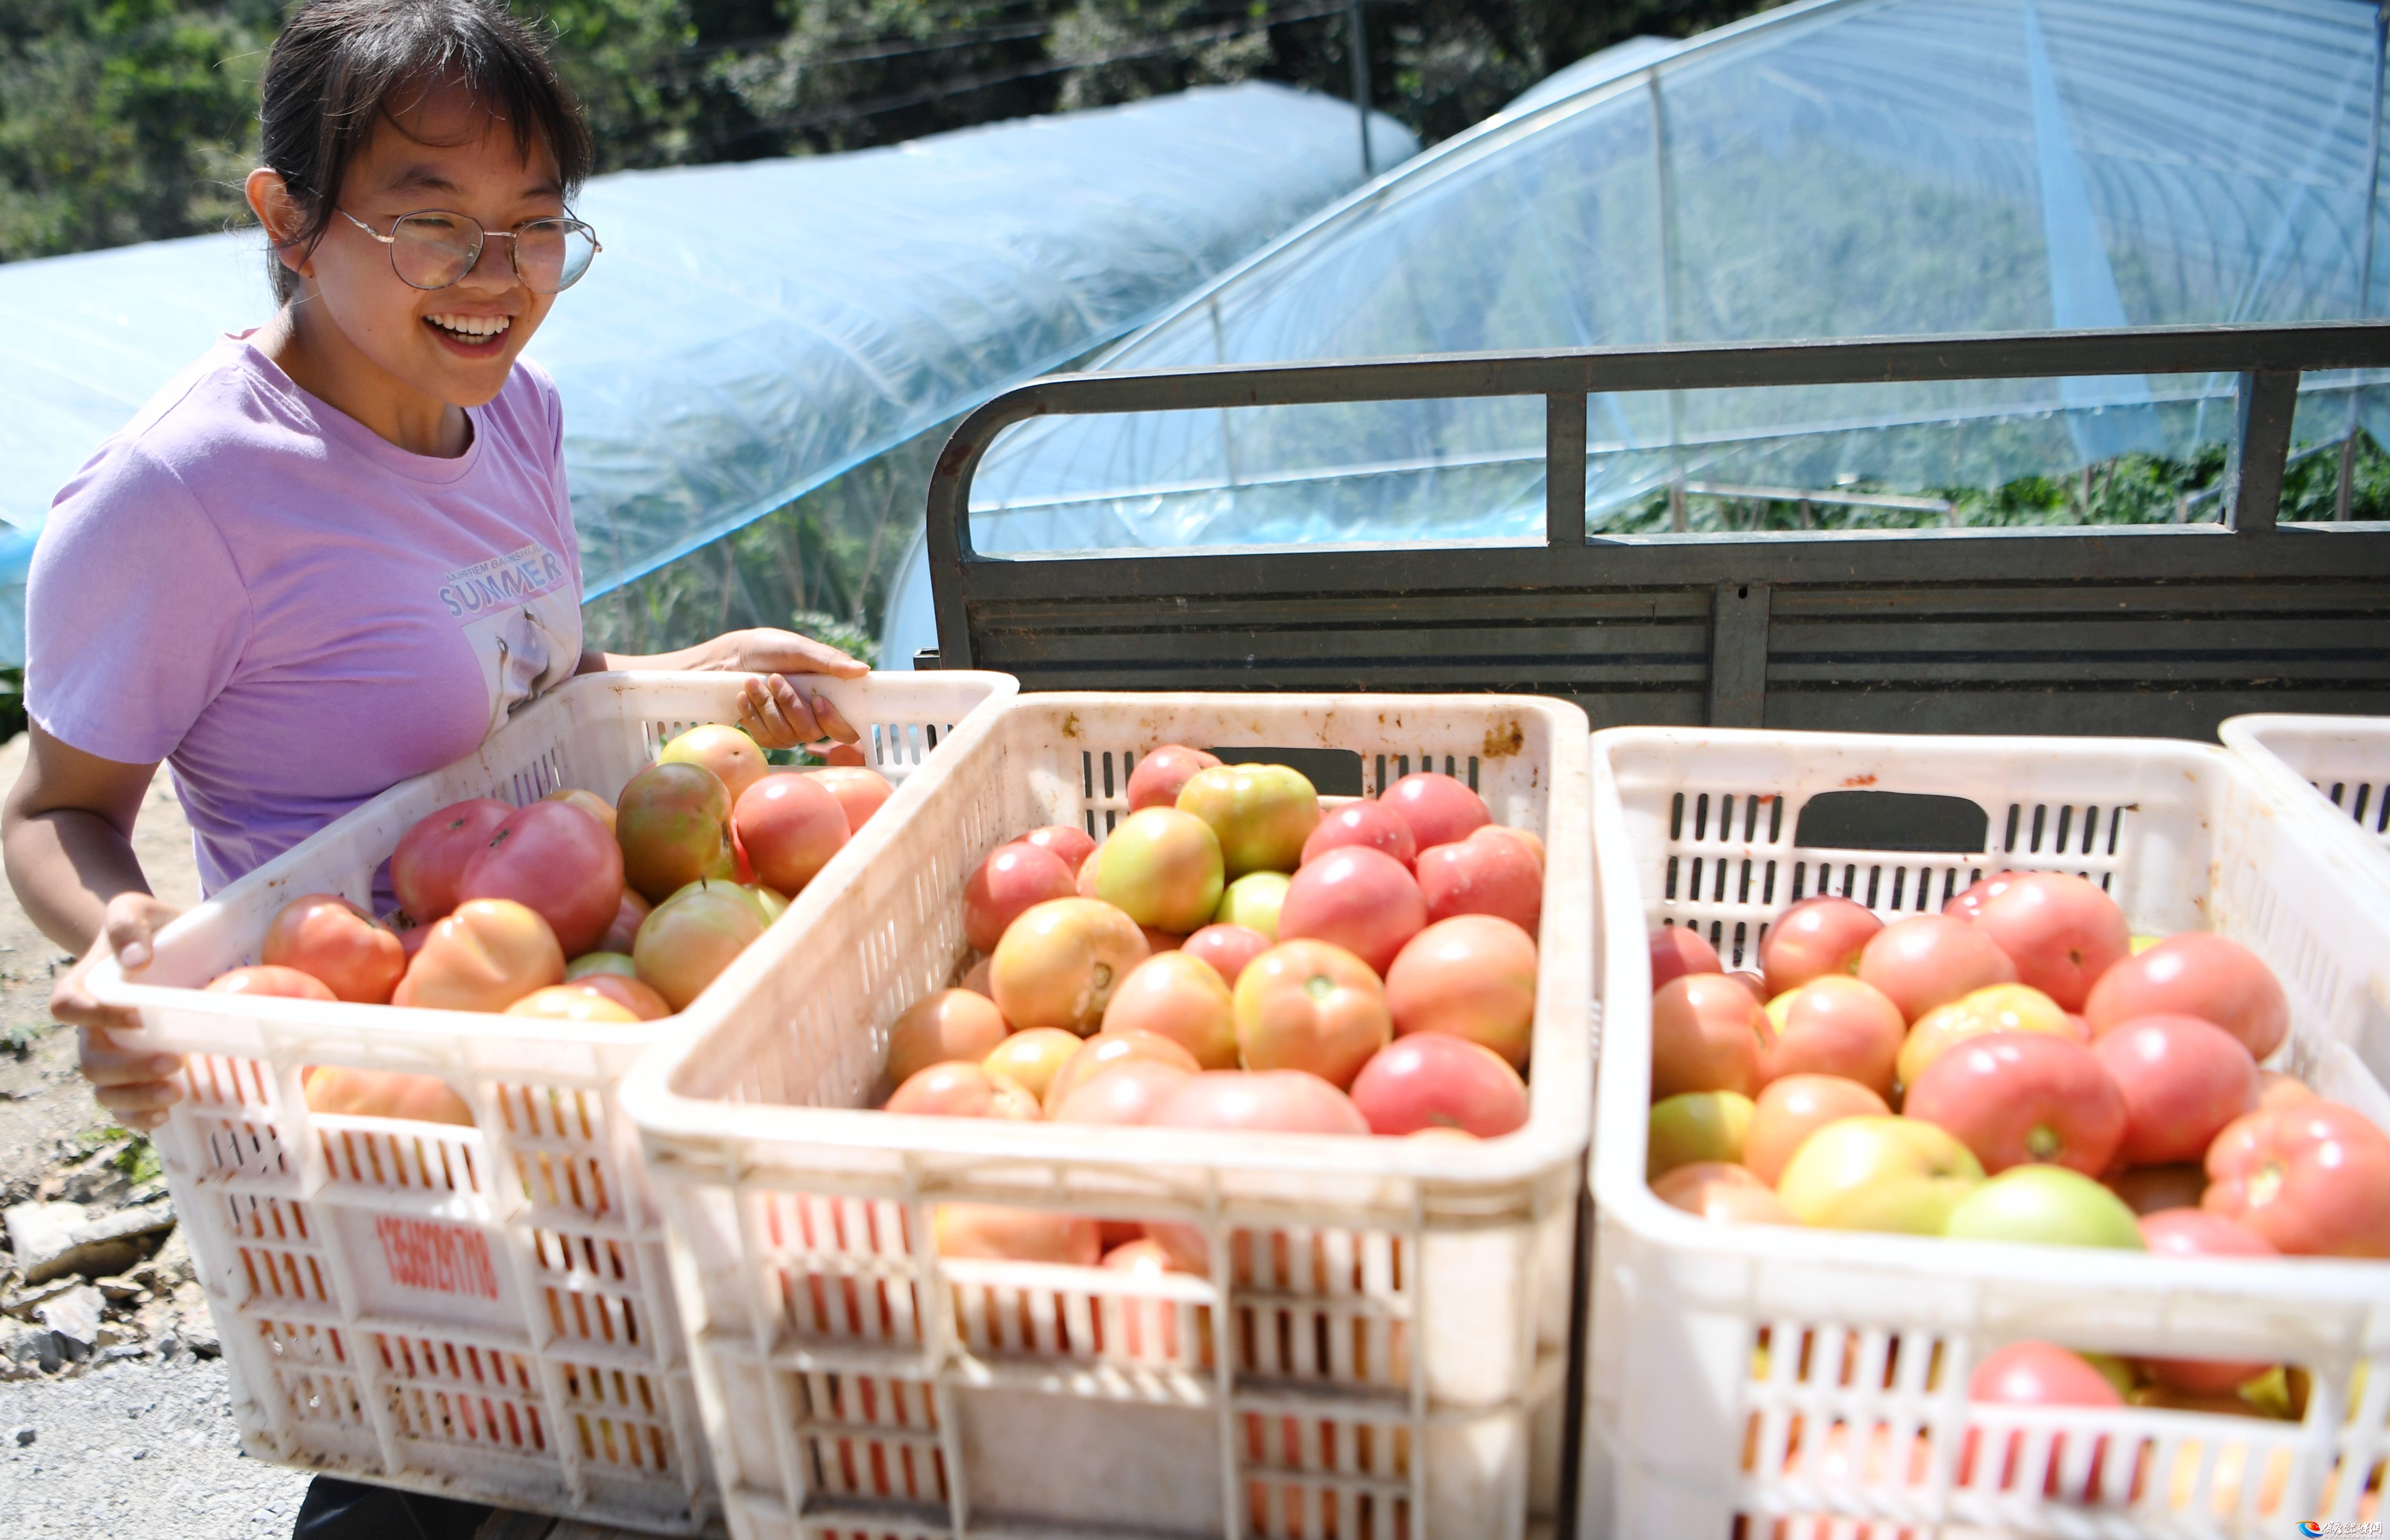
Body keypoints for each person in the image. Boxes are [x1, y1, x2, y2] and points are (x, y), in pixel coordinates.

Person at [0, 3, 862, 1536]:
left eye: (534, 230)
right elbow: (57, 804)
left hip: (571, 1015)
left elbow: (526, 692)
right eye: (430, 226)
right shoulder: (181, 492)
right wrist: (128, 949)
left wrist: (684, 677)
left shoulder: (512, 413)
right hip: (369, 1078)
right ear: (285, 216)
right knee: (431, 1444)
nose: (497, 280)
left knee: (630, 1427)